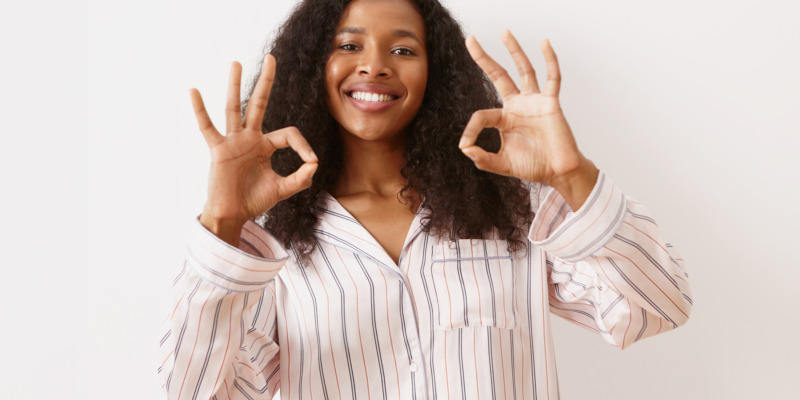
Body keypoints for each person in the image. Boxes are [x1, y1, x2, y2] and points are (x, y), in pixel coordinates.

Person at [157, 0, 693, 398]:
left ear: (435, 74)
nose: (374, 65)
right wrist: (222, 223)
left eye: (403, 49)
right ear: (313, 67)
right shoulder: (274, 244)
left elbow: (656, 308)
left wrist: (572, 174)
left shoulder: (507, 213)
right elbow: (199, 391)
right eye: (349, 45)